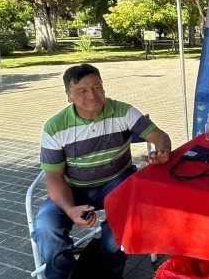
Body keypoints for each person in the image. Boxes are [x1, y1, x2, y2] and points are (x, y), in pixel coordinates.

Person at [32, 63, 172, 279]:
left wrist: (162, 151)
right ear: (68, 95)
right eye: (82, 90)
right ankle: (62, 275)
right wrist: (69, 209)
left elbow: (160, 136)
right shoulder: (55, 127)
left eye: (97, 87)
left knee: (121, 223)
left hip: (116, 181)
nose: (92, 95)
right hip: (73, 188)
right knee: (45, 227)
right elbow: (54, 176)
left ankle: (107, 273)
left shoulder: (123, 111)